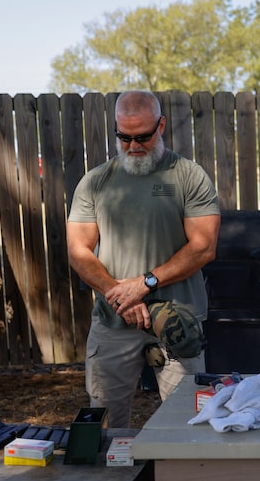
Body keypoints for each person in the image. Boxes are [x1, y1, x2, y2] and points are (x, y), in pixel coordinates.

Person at [67, 90, 220, 428]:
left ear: (161, 125)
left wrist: (145, 283)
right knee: (105, 423)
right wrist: (119, 294)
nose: (134, 146)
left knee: (189, 422)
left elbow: (203, 246)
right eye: (124, 137)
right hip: (114, 320)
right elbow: (78, 250)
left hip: (177, 321)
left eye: (143, 137)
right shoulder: (95, 182)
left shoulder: (187, 176)